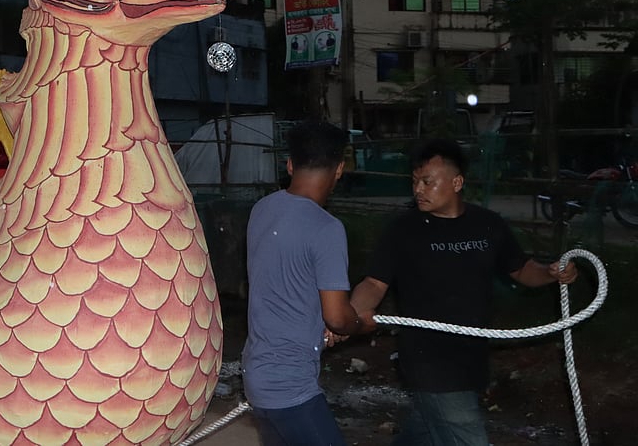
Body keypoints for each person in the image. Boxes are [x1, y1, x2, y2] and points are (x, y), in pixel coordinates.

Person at [350, 138, 578, 446]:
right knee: (466, 435)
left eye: (427, 182)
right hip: (426, 360)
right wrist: (351, 315)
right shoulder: (403, 230)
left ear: (457, 183)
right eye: (415, 182)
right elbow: (374, 284)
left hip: (471, 356)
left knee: (426, 427)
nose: (418, 190)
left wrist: (550, 273)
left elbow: (522, 269)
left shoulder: (488, 224)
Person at [242, 120, 375, 445]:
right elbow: (337, 317)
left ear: (289, 164)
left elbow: (286, 286)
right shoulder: (326, 228)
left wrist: (322, 324)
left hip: (256, 375)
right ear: (339, 169)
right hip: (289, 386)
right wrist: (361, 323)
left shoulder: (262, 209)